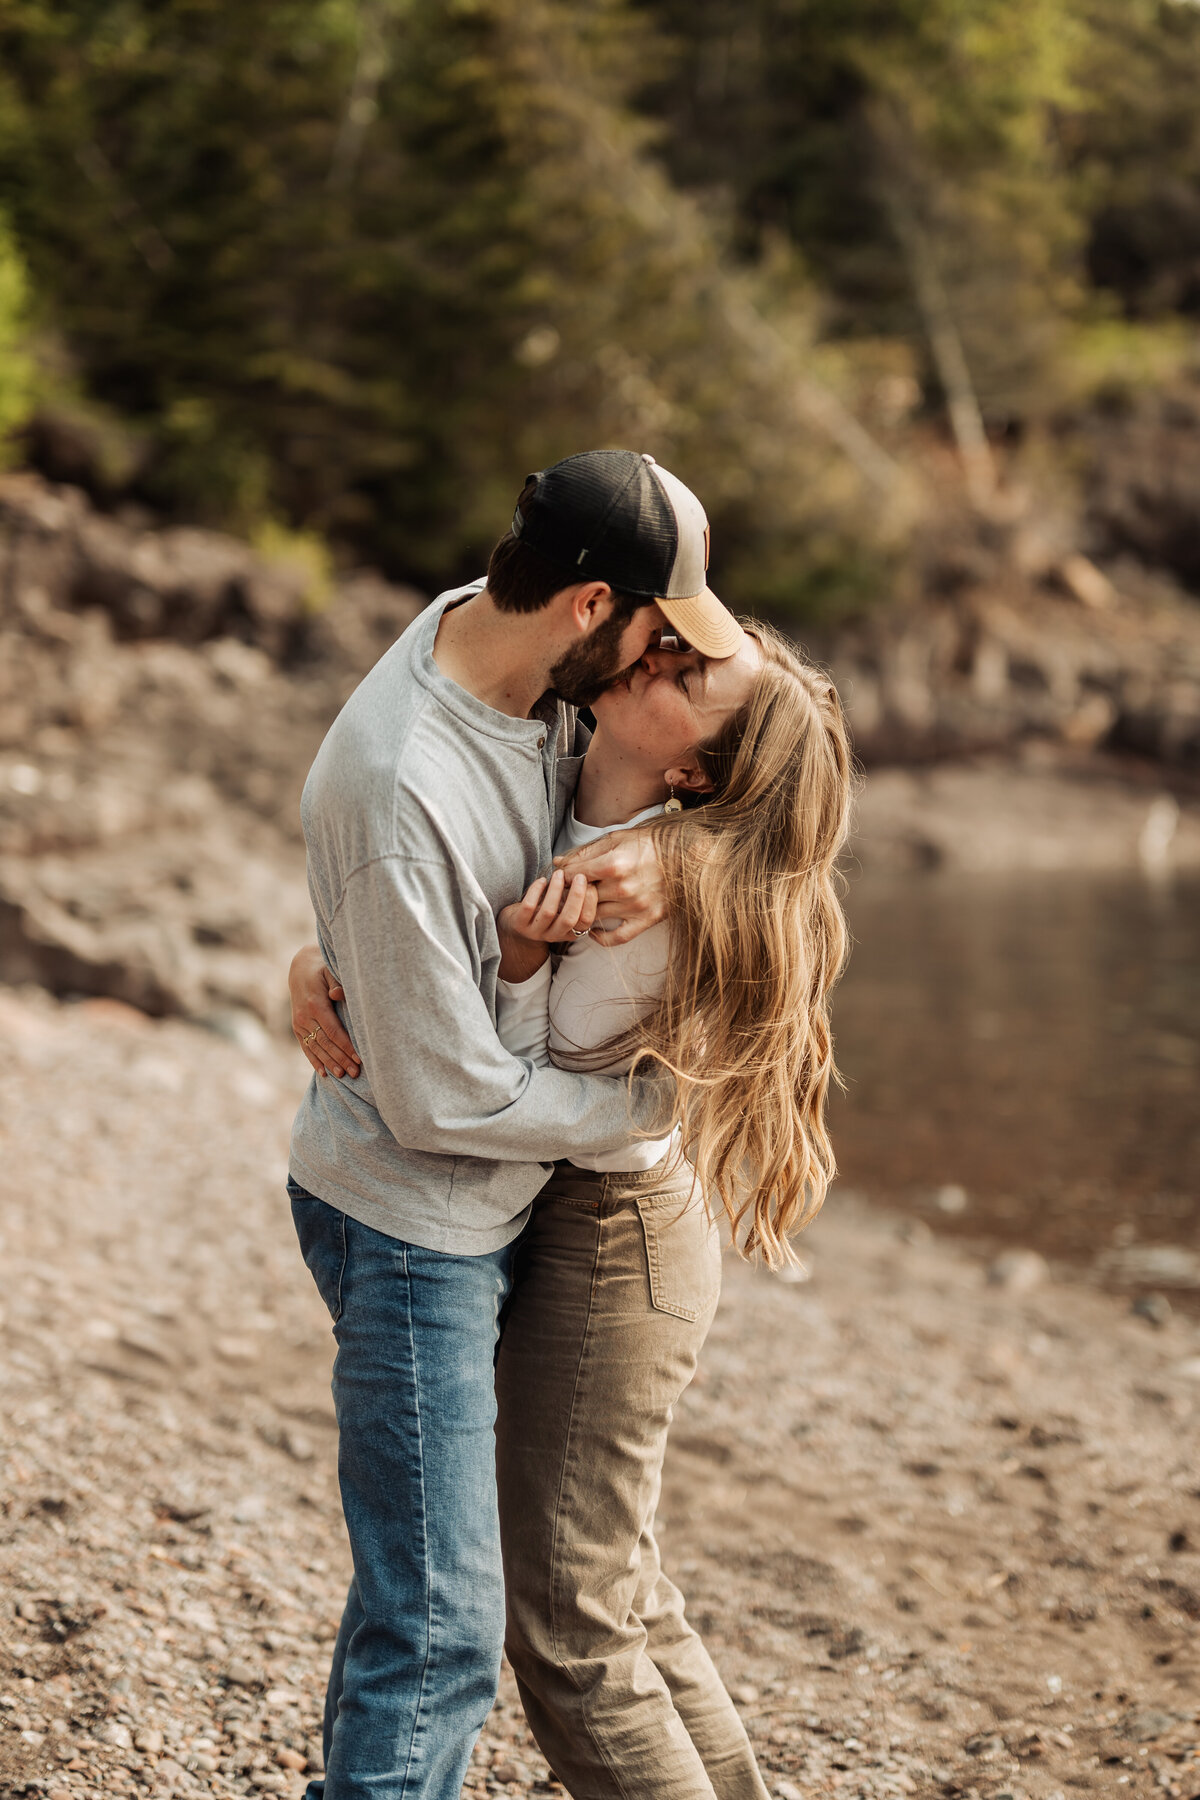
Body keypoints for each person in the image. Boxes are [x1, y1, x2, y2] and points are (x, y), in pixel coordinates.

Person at [293, 616, 853, 1797]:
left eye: (689, 676)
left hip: (616, 1233)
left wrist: (523, 961)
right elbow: (426, 906)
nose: (659, 653)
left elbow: (508, 1075)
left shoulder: (641, 886)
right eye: (678, 644)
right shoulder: (573, 775)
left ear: (695, 772)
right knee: (619, 1592)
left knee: (569, 1629)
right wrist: (328, 962)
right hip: (604, 1219)